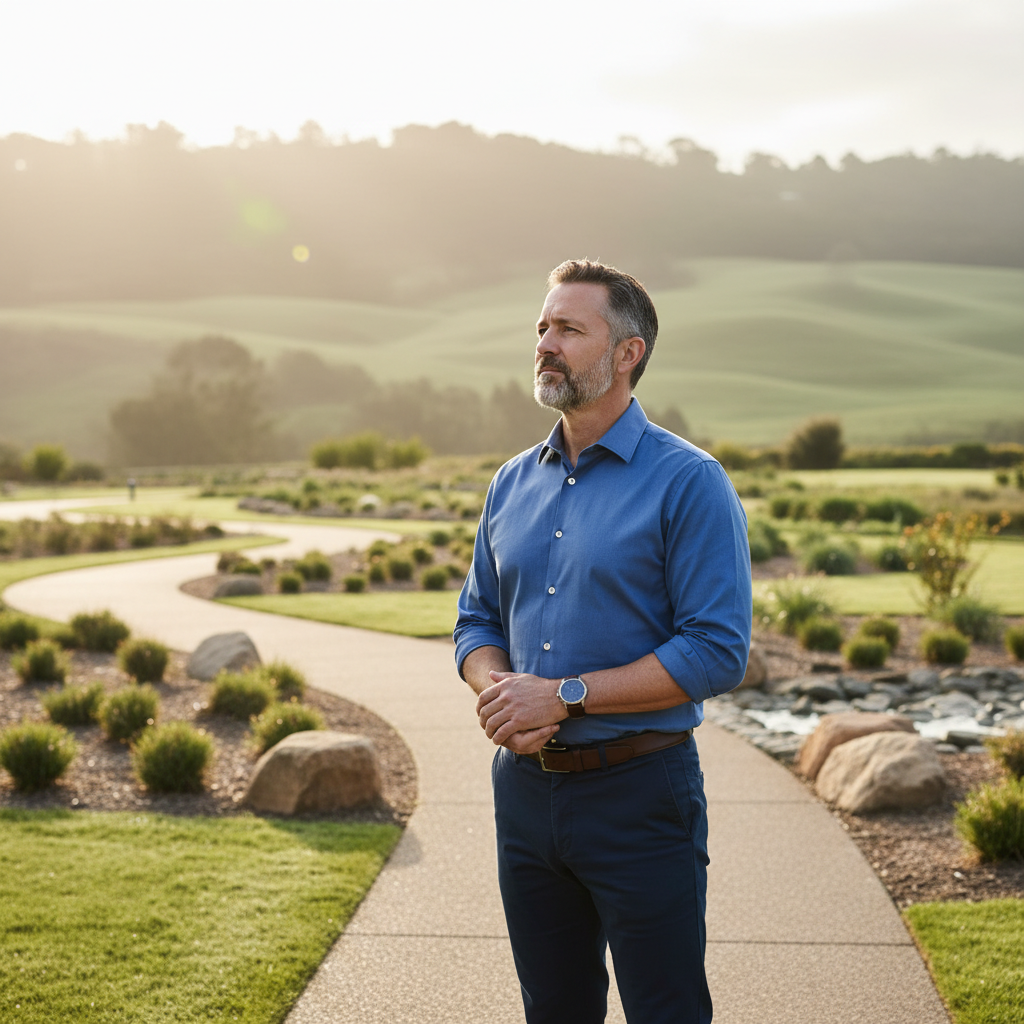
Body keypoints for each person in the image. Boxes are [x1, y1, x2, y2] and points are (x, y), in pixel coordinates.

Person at [454, 259, 752, 1024]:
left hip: (641, 794)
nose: (546, 344)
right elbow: (477, 622)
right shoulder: (511, 483)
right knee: (553, 1009)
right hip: (523, 792)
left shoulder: (690, 482)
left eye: (569, 329)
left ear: (628, 354)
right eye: (543, 328)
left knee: (666, 1009)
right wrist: (501, 692)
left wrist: (563, 695)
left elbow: (716, 649)